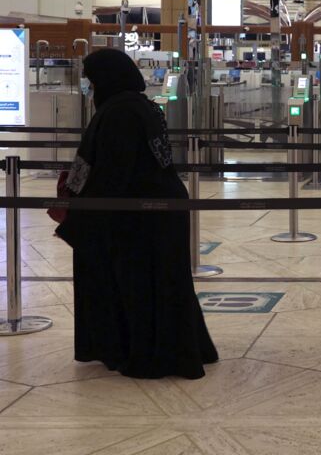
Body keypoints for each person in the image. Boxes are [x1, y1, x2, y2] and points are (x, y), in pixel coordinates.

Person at [54, 48, 218, 379]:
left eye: (92, 79)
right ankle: (178, 348)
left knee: (139, 283)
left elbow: (114, 170)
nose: (90, 86)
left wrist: (85, 213)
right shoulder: (140, 106)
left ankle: (147, 355)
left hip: (137, 213)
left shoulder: (119, 113)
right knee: (165, 282)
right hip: (158, 208)